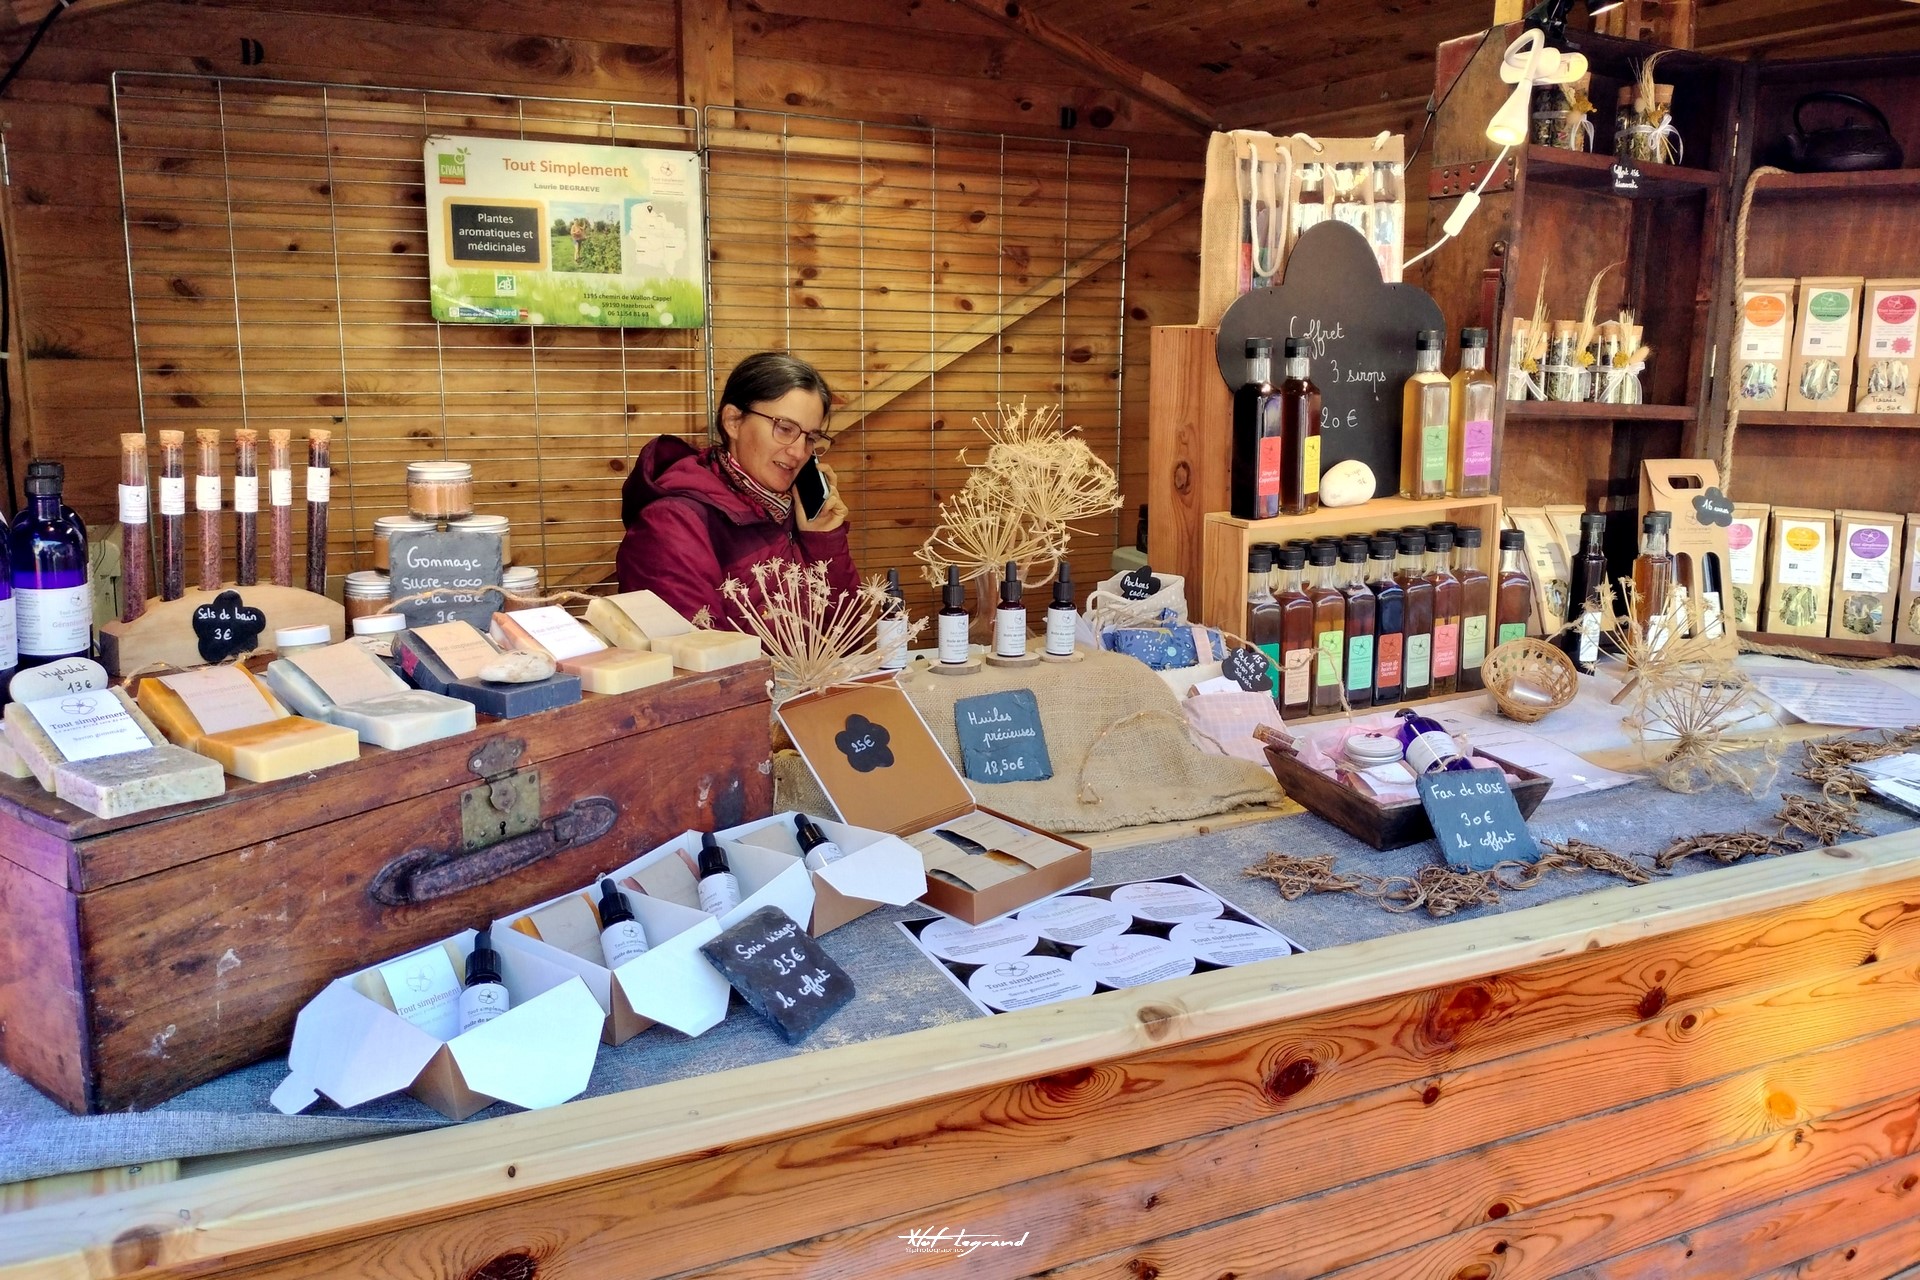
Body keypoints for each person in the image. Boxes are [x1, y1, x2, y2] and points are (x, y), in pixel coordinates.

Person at [618, 352, 857, 631]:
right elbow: (697, 660)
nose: (799, 451)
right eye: (785, 428)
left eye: (811, 437)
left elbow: (847, 640)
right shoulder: (672, 522)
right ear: (733, 421)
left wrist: (823, 539)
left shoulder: (792, 510)